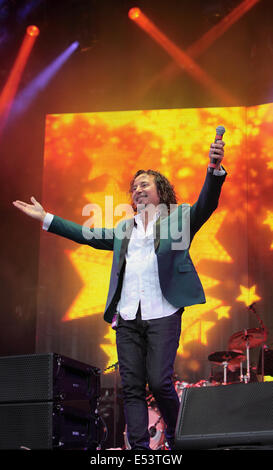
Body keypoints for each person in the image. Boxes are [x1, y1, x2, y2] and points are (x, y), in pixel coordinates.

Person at [13, 139, 226, 450]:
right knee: (132, 388)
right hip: (127, 317)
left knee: (160, 382)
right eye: (134, 187)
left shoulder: (179, 219)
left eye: (144, 185)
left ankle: (181, 435)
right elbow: (87, 235)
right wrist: (46, 218)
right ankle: (139, 450)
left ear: (160, 192)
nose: (137, 190)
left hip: (163, 313)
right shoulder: (124, 229)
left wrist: (214, 169)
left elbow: (206, 203)